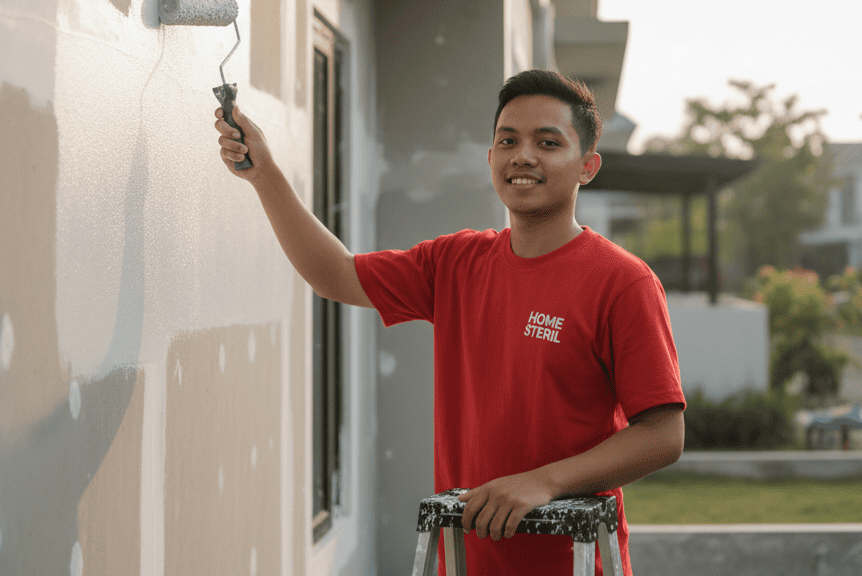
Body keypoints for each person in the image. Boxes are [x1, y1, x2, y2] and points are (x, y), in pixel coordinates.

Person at [215, 69, 685, 575]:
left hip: (570, 561)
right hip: (466, 560)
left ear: (587, 166)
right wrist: (264, 174)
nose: (523, 155)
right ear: (491, 159)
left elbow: (662, 434)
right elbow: (334, 275)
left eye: (548, 142)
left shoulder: (623, 282)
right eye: (508, 141)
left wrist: (542, 482)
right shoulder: (456, 262)